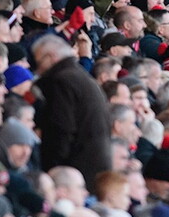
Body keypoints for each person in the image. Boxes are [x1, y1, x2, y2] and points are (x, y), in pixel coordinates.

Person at [33, 34, 113, 192]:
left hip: (74, 174)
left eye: (39, 62)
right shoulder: (81, 76)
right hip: (93, 165)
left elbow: (61, 129)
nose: (38, 69)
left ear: (51, 57)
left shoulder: (62, 80)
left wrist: (53, 169)